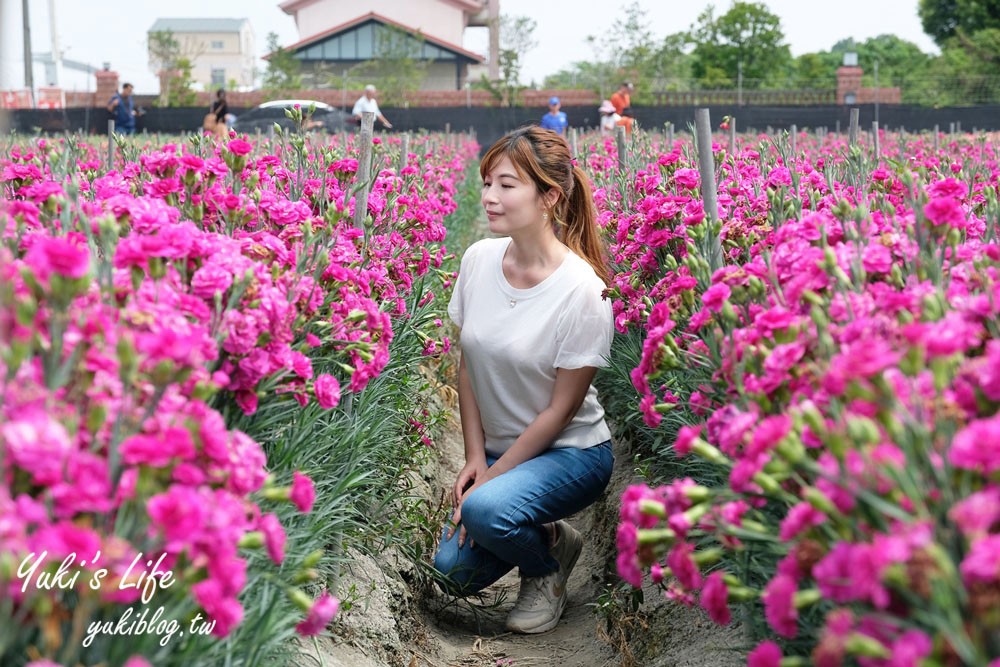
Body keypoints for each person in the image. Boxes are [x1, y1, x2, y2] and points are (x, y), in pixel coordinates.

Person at [433, 126, 615, 635]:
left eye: (507, 185)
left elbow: (559, 412)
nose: (489, 197)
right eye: (487, 182)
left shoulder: (583, 291)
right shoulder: (478, 260)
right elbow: (467, 365)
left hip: (570, 452)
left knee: (487, 510)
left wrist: (490, 481)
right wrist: (474, 457)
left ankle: (545, 570)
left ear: (549, 196)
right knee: (452, 572)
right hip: (499, 449)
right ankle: (551, 536)